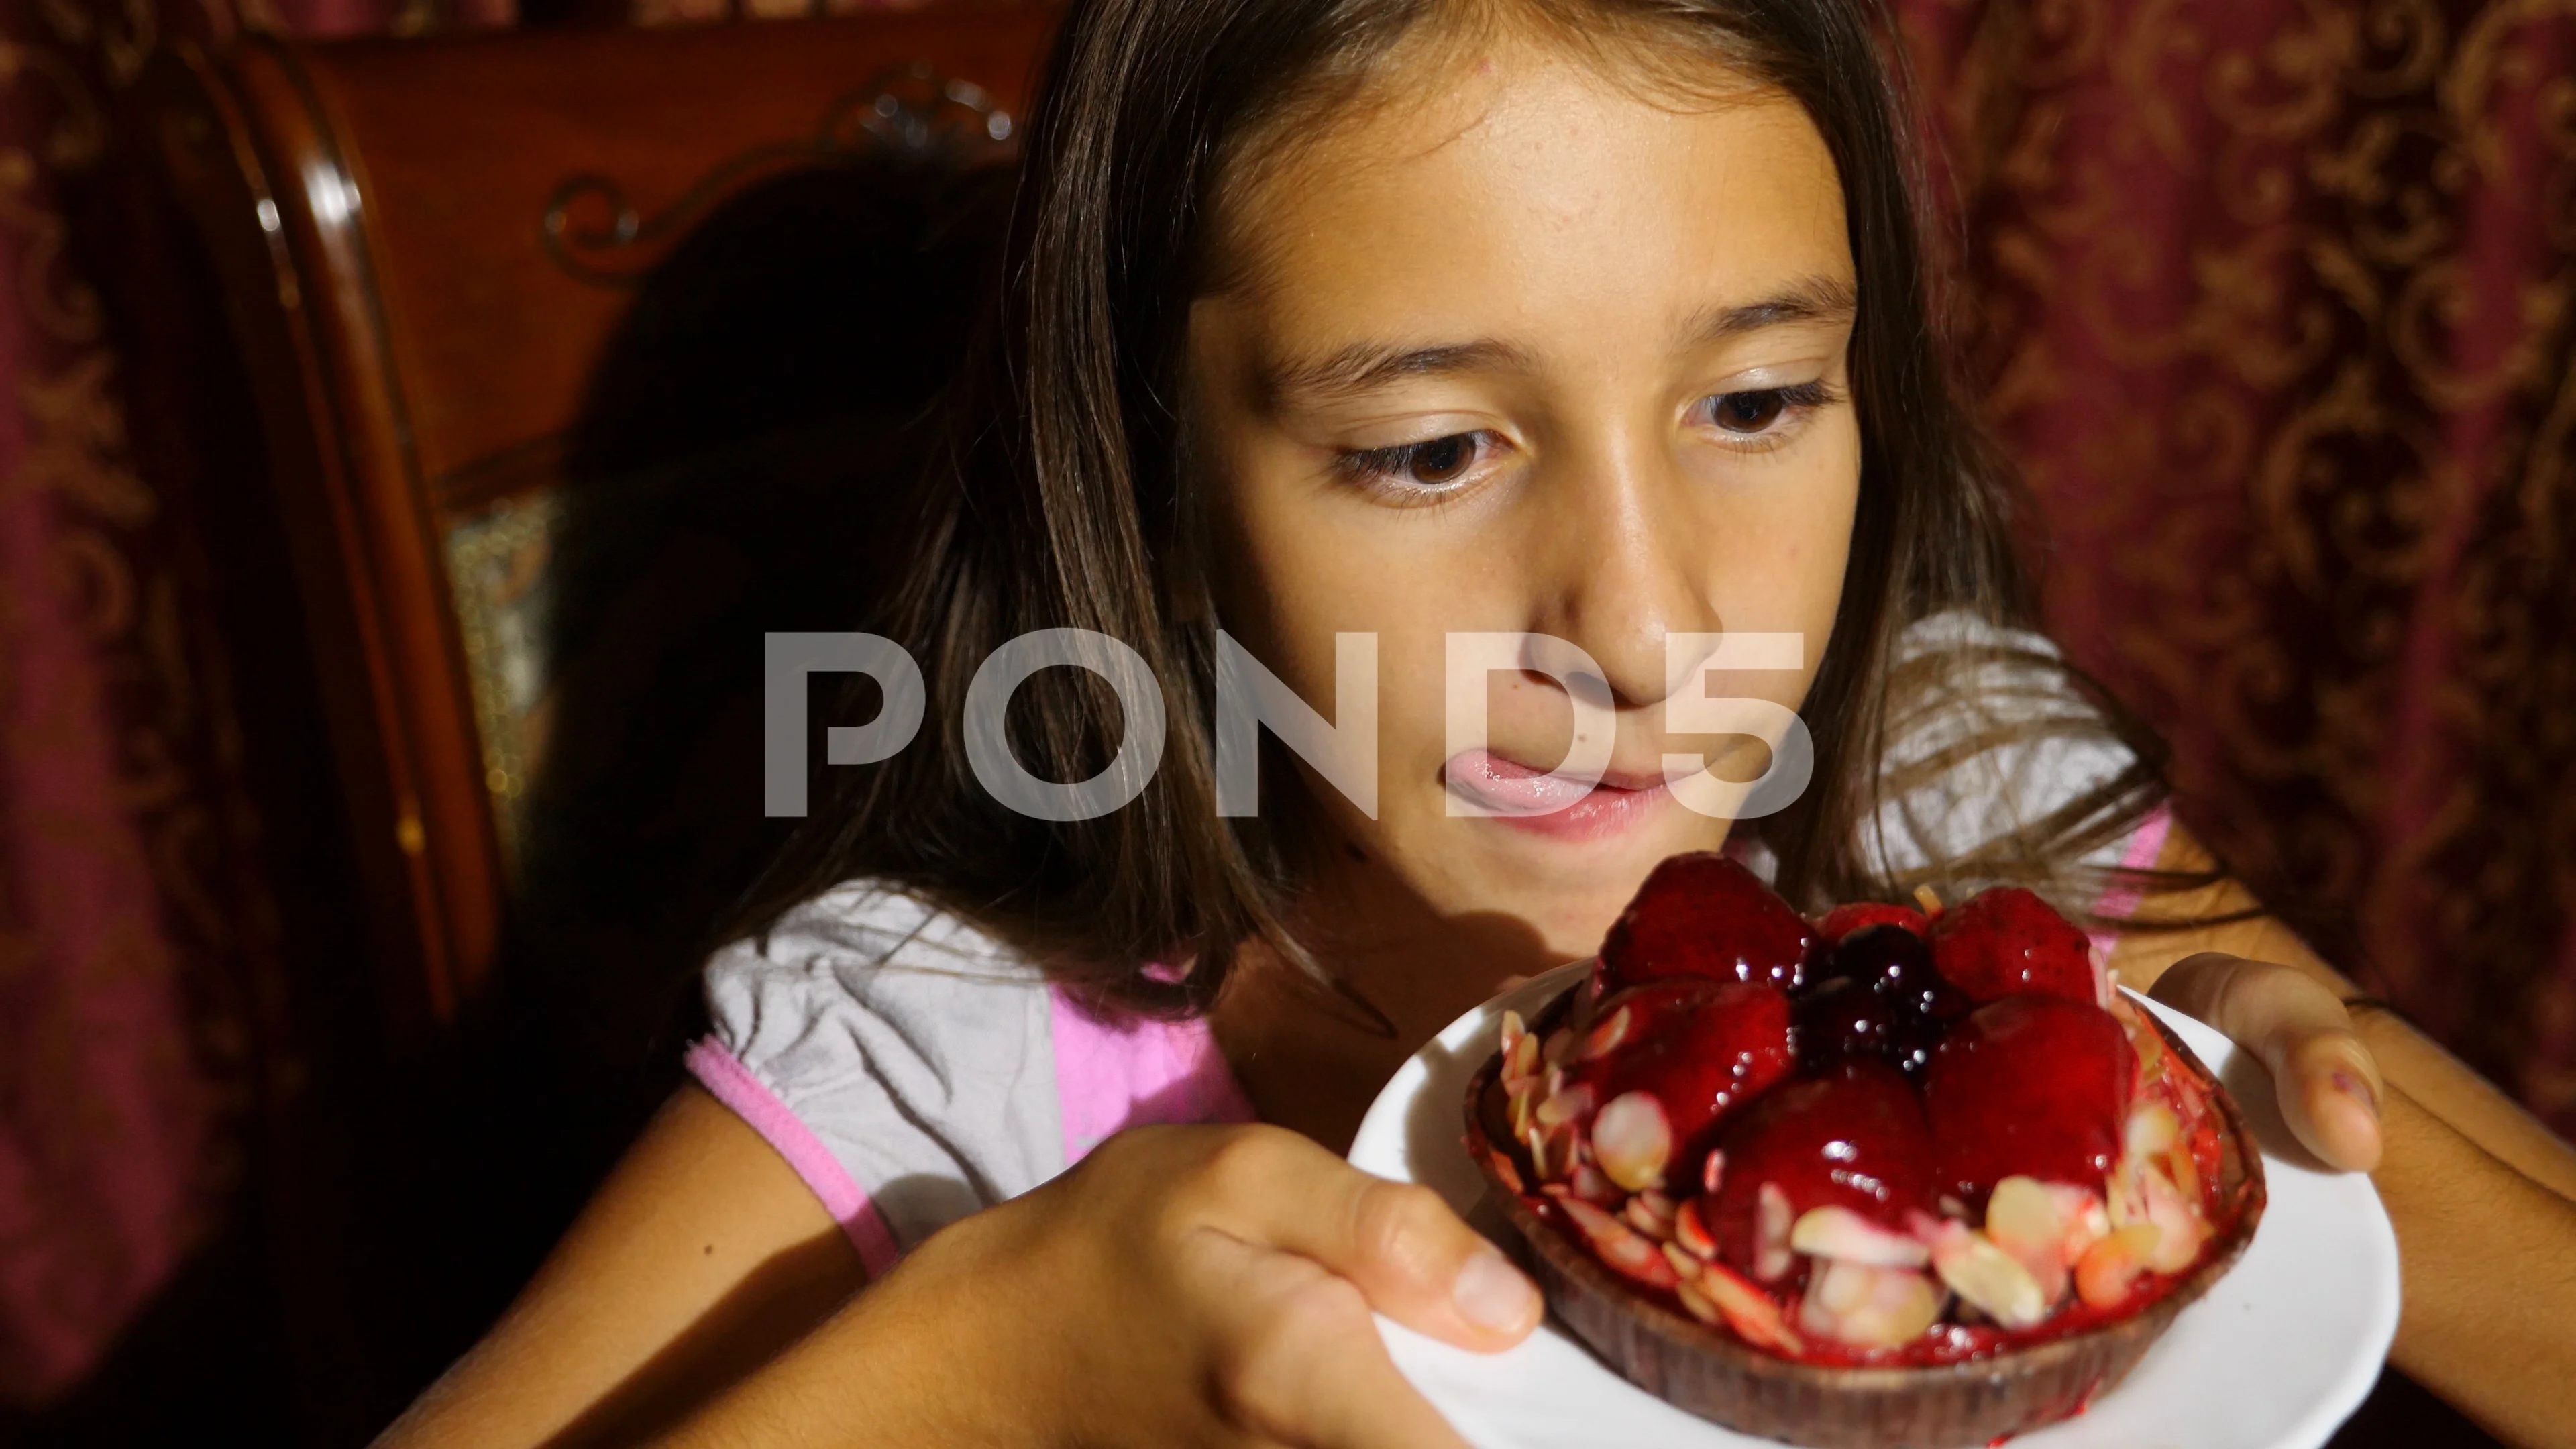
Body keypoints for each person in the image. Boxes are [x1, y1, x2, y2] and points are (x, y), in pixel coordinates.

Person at [378, 0, 2576, 1442]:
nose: (1643, 622)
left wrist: (2277, 1152)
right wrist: (994, 1358)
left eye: (1752, 402)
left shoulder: (1953, 783)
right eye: (1431, 452)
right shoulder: (960, 1062)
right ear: (1160, 481)